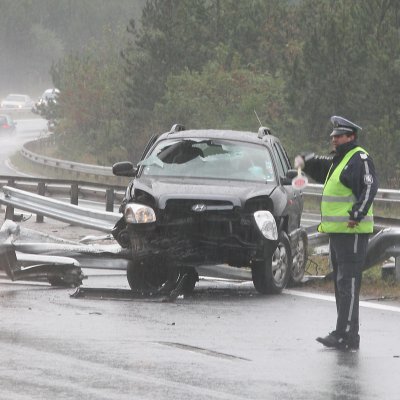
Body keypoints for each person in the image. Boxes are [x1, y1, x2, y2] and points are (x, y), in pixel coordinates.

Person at [294, 116, 378, 350]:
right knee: (342, 284)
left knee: (348, 284)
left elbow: (370, 186)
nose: (334, 140)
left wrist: (357, 213)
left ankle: (346, 335)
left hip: (352, 232)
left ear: (351, 137)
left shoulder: (359, 158)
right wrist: (304, 160)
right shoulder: (340, 160)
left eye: (338, 136)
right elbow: (320, 167)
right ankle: (345, 333)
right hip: (338, 233)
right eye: (333, 137)